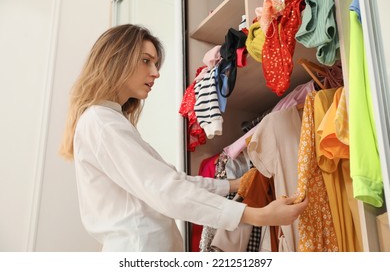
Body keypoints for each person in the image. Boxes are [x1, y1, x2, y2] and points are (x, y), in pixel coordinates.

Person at [59, 24, 307, 252]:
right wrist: (257, 215)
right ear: (115, 61)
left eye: (155, 64)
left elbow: (173, 181)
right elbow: (166, 191)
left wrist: (233, 185)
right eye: (146, 61)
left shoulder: (107, 121)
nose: (155, 73)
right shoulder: (102, 123)